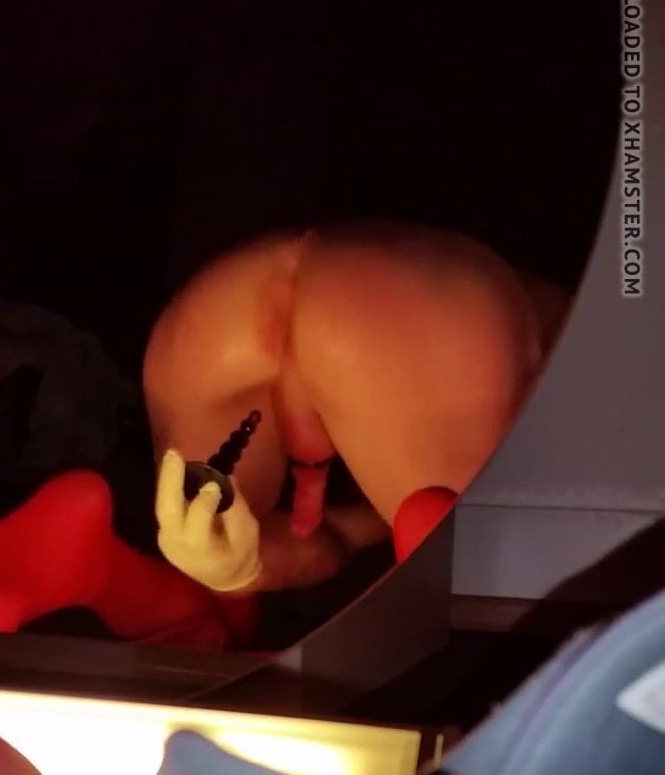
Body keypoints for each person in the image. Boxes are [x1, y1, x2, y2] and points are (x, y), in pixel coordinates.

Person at [146, 221, 571, 595]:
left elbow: (334, 540)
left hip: (212, 316)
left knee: (214, 541)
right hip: (392, 291)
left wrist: (241, 572)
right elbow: (332, 541)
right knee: (215, 541)